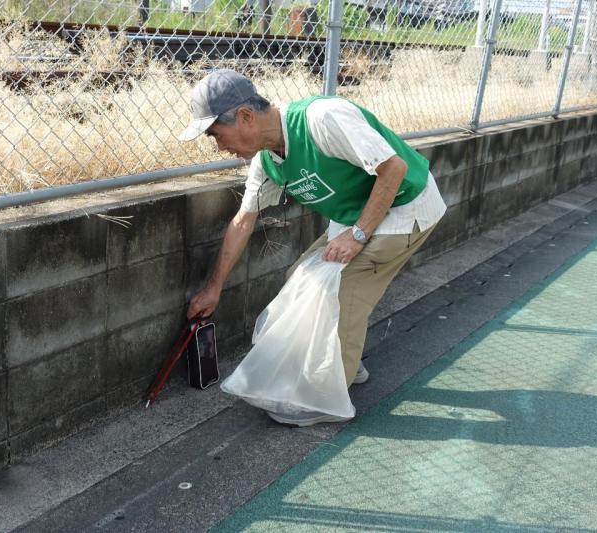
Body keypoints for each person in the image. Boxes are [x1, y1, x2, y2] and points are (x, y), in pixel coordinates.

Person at [179, 69, 447, 426]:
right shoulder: (267, 162)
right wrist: (213, 289)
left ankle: (328, 396)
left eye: (217, 134)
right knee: (300, 278)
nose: (220, 146)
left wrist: (357, 236)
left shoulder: (322, 119)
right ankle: (339, 362)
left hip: (404, 207)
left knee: (339, 292)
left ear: (244, 116)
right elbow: (243, 221)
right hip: (358, 214)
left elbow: (393, 169)